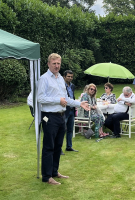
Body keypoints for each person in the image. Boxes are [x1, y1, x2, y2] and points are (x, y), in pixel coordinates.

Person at [37, 53, 89, 185]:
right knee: (49, 147)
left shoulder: (60, 78)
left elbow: (66, 99)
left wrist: (79, 104)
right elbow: (40, 98)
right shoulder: (44, 79)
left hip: (61, 116)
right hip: (49, 116)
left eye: (58, 63)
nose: (56, 66)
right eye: (54, 63)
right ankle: (46, 177)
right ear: (48, 64)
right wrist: (57, 100)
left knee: (58, 146)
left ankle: (54, 172)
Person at [63, 70, 78, 153]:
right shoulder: (61, 86)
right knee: (62, 130)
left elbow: (72, 97)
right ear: (64, 76)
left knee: (70, 130)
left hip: (72, 110)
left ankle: (69, 146)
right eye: (68, 76)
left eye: (71, 77)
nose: (70, 78)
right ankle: (59, 148)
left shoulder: (72, 86)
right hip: (65, 110)